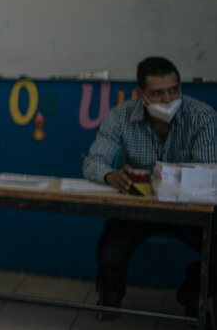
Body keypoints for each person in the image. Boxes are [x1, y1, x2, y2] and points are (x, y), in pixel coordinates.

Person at [83, 56, 217, 321]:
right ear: (140, 94)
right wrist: (111, 176)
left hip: (190, 210)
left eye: (174, 90)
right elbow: (93, 162)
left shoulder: (202, 117)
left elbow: (207, 175)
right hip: (139, 205)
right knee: (109, 253)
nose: (168, 99)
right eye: (157, 93)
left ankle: (193, 293)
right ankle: (112, 298)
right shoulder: (121, 115)